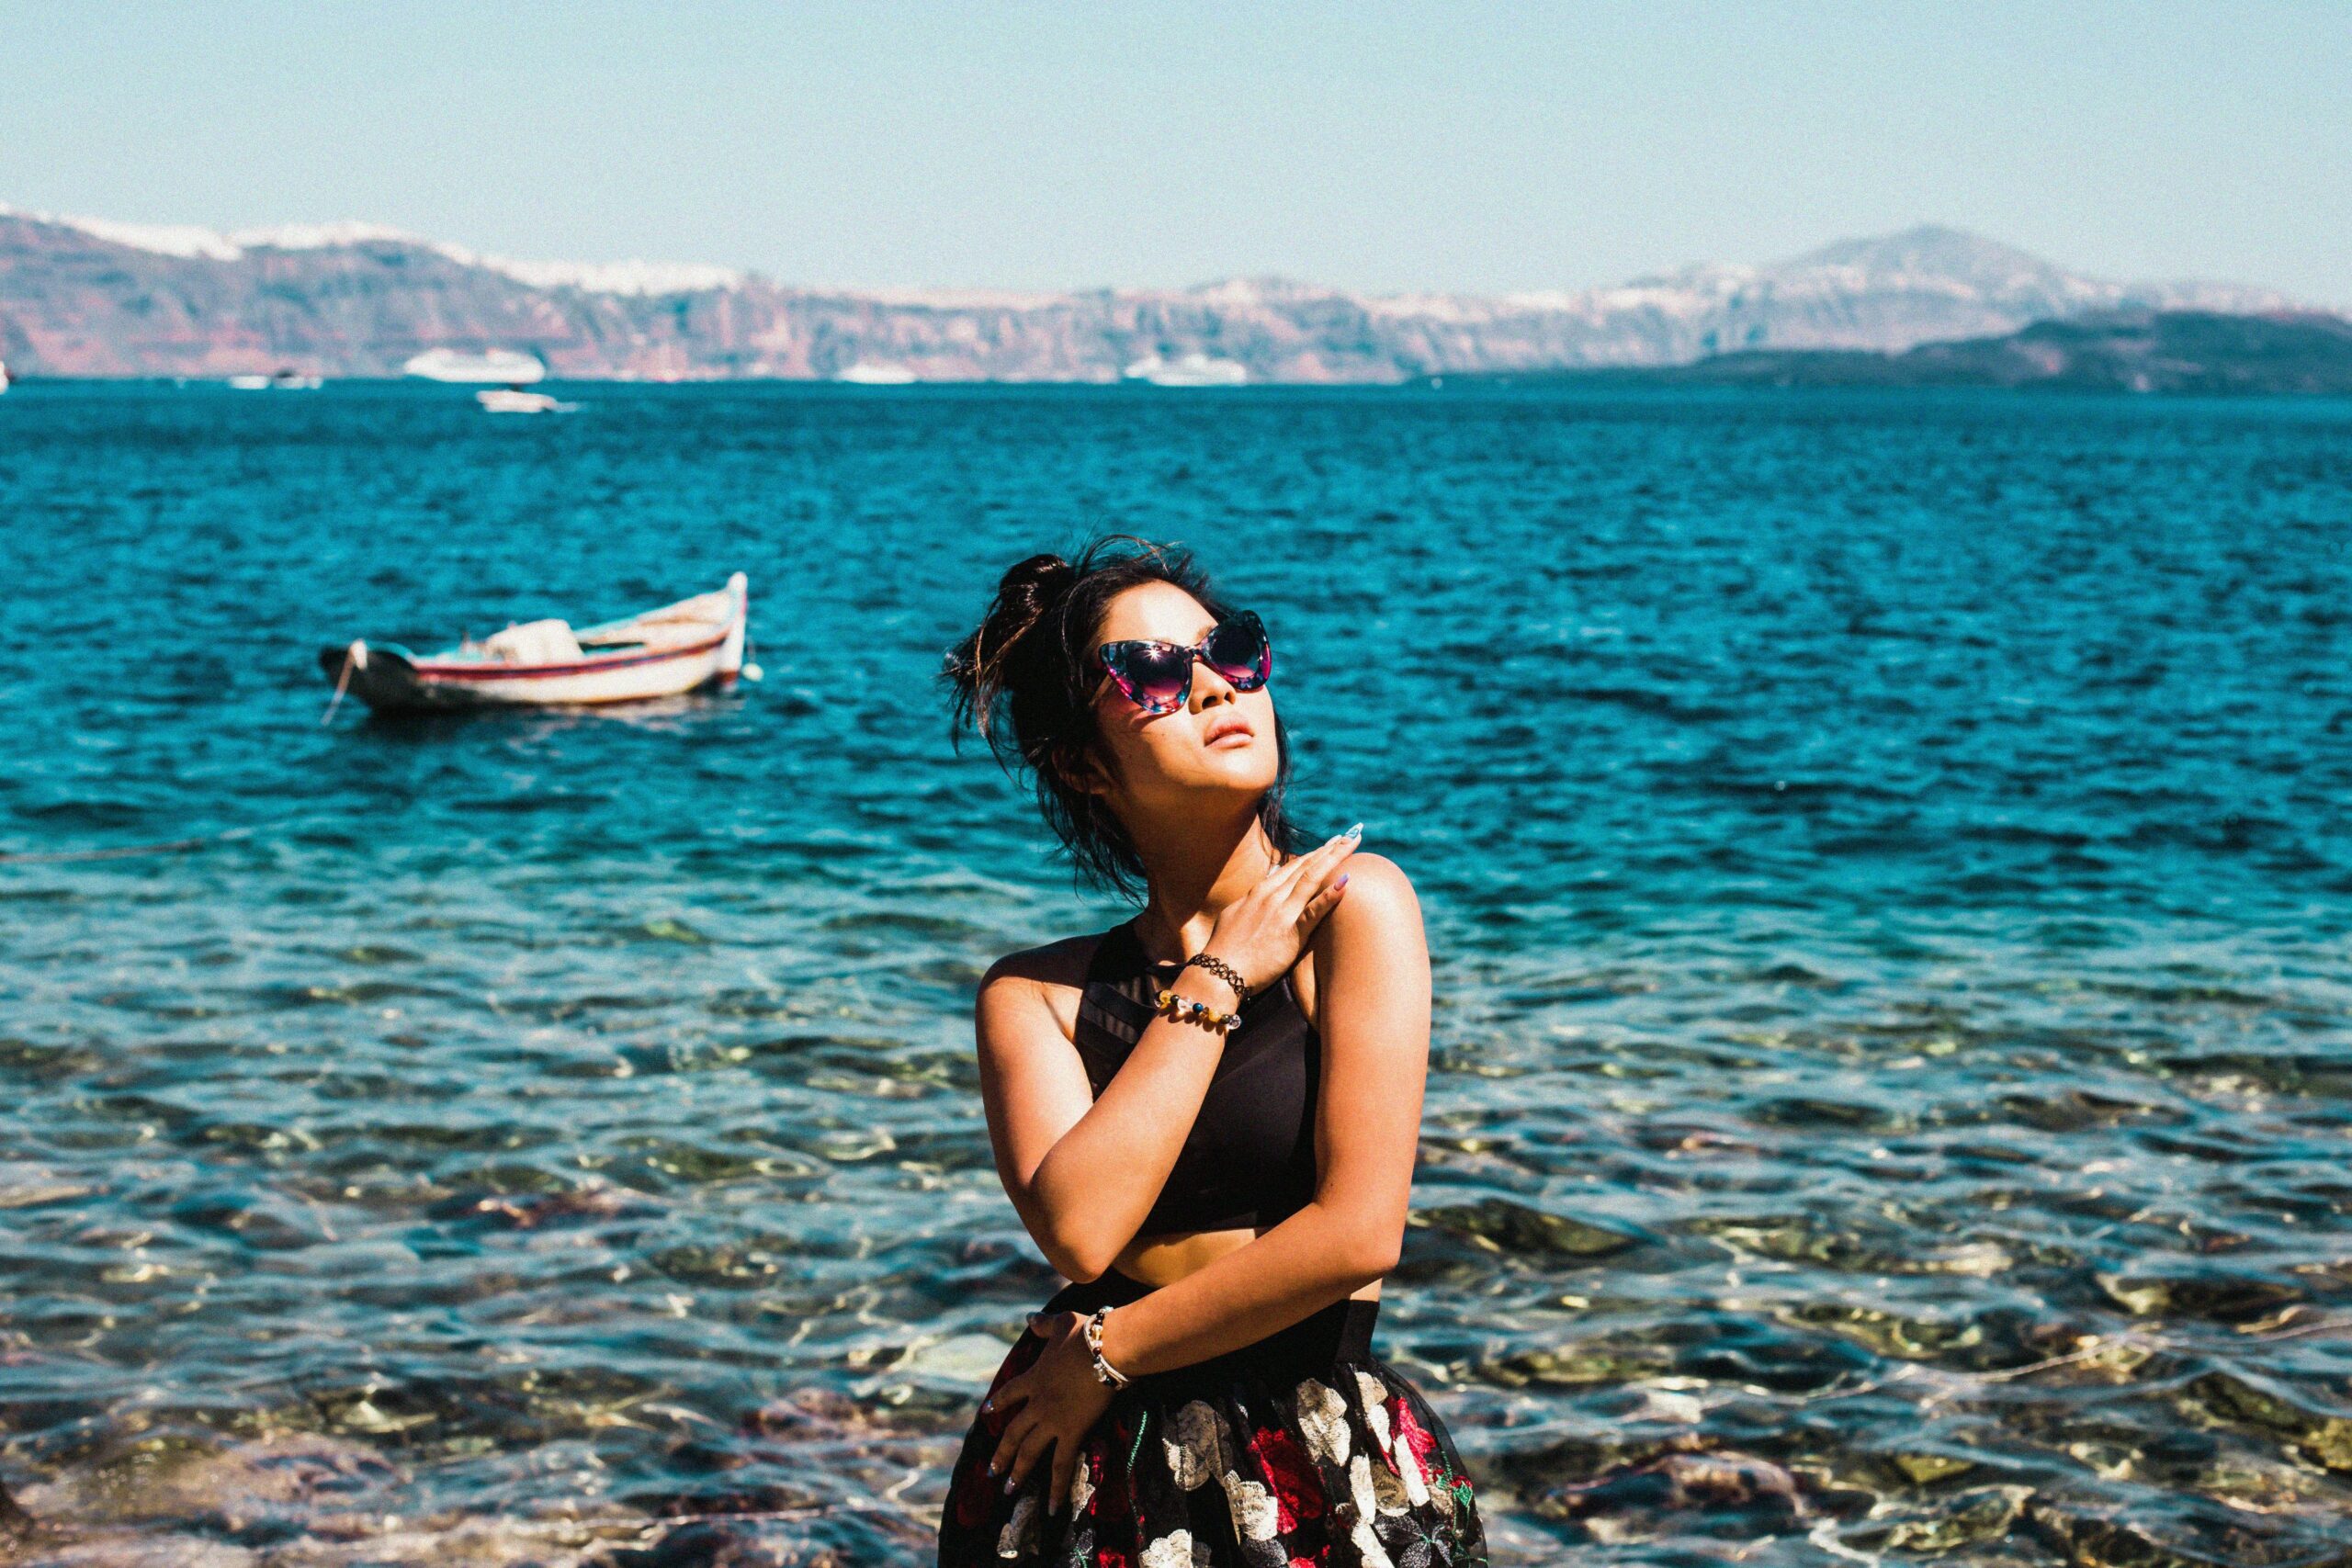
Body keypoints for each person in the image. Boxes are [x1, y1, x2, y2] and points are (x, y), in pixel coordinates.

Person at [934, 536, 1487, 1567]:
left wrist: (1108, 1356)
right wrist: (1219, 974)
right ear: (1078, 762)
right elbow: (1084, 1235)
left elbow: (1359, 1233)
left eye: (1229, 651)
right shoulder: (1034, 996)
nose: (1207, 686)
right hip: (1080, 1465)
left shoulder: (1357, 908)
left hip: (1306, 1458)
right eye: (1146, 671)